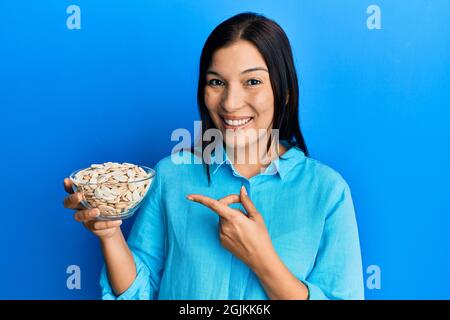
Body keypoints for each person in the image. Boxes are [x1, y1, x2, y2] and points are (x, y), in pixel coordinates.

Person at [63, 12, 364, 300]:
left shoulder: (327, 192)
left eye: (253, 81)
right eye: (216, 82)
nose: (230, 103)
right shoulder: (171, 175)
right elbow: (140, 291)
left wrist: (261, 259)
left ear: (283, 92)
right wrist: (110, 233)